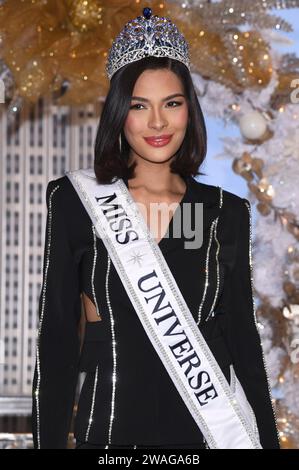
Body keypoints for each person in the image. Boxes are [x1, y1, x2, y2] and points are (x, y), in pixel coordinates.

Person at [32, 7, 280, 449]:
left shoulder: (220, 212)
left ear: (189, 109)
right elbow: (56, 343)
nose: (158, 122)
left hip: (204, 436)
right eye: (138, 106)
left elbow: (241, 339)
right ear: (118, 114)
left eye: (172, 103)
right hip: (108, 435)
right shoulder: (75, 202)